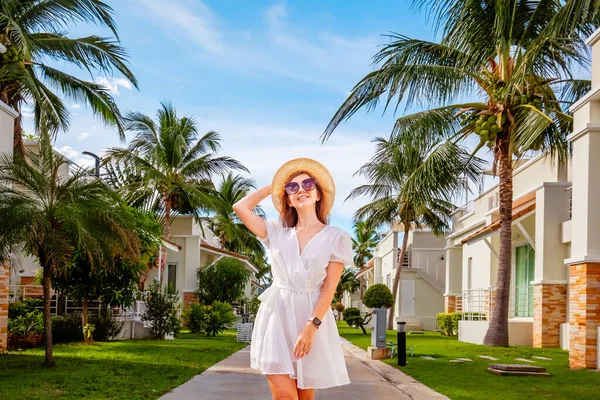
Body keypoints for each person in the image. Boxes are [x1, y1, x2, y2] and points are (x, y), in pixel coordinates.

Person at [233, 158, 352, 400]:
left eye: (308, 184)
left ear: (319, 195)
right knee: (285, 396)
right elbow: (241, 207)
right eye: (293, 187)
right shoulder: (276, 232)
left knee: (304, 397)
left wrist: (312, 326)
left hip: (311, 317)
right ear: (287, 199)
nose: (301, 190)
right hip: (277, 316)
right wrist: (277, 184)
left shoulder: (337, 237)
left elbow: (330, 285)